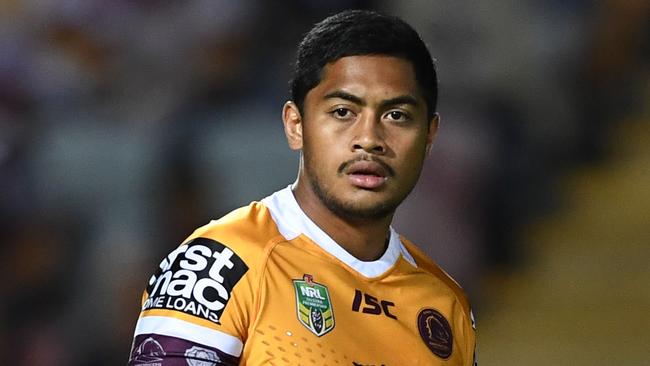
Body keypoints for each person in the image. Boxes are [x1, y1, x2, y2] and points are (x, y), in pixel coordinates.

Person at [128, 9, 477, 366]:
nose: (369, 139)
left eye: (397, 116)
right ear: (296, 125)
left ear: (430, 135)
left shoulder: (445, 303)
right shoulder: (217, 267)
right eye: (343, 112)